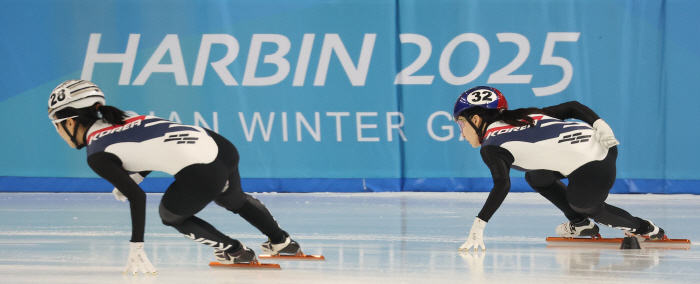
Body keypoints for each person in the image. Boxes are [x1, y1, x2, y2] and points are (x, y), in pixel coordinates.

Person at [47, 79, 302, 273]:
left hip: (202, 169)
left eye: (55, 126)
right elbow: (157, 145)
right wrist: (137, 175)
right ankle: (283, 243)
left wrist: (137, 244)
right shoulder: (124, 117)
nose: (58, 132)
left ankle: (235, 251)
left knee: (170, 216)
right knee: (232, 199)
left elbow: (137, 197)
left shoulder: (97, 153)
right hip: (220, 146)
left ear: (69, 122)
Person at [453, 86, 667, 252]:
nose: (462, 134)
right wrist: (600, 124)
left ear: (476, 119)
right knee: (536, 177)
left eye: (461, 124)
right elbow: (572, 106)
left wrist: (479, 226)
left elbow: (502, 185)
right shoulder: (524, 115)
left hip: (594, 165)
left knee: (584, 204)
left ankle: (644, 228)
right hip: (602, 144)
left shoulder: (491, 146)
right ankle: (581, 225)